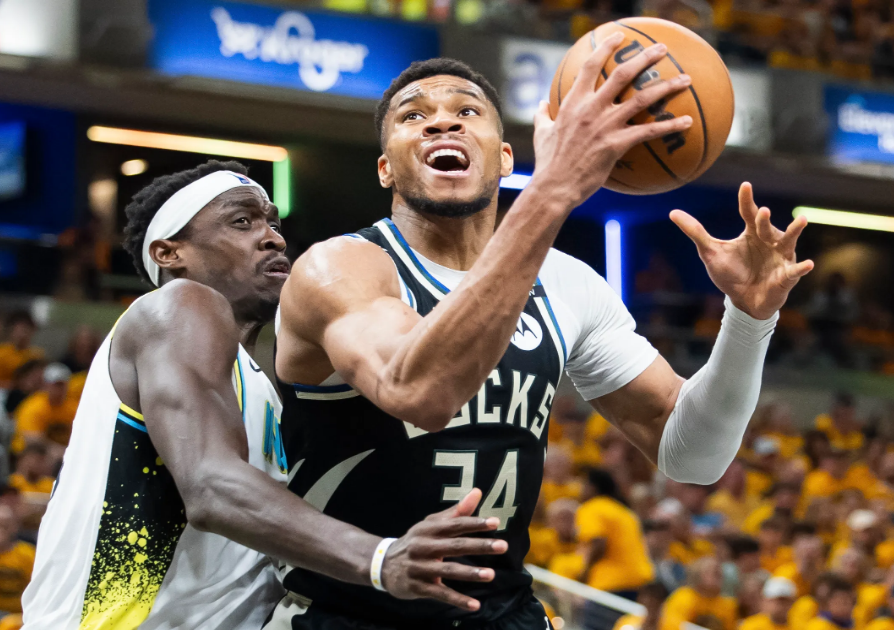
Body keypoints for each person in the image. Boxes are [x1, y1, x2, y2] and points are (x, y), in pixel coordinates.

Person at [272, 49, 811, 627]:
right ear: (386, 169)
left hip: (504, 611)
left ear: (505, 158)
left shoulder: (566, 282)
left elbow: (693, 454)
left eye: (467, 111)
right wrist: (552, 190)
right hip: (349, 612)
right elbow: (418, 391)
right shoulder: (339, 268)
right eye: (413, 115)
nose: (442, 121)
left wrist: (749, 319)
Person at [22, 160, 508, 630]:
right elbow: (211, 487)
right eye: (241, 222)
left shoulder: (260, 383)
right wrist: (380, 558)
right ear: (170, 253)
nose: (273, 237)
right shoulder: (178, 306)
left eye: (273, 223)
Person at [576, 469, 653, 598]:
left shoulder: (592, 508)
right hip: (640, 579)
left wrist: (584, 572)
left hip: (611, 582)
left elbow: (598, 543)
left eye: (583, 484)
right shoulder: (624, 511)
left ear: (592, 487)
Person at [661, 556, 739, 630]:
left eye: (719, 574)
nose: (717, 571)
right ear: (697, 574)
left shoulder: (729, 605)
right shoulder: (683, 597)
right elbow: (670, 626)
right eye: (711, 571)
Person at [12, 363, 77, 449]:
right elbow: (31, 438)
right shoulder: (33, 405)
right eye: (56, 385)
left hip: (61, 450)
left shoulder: (73, 406)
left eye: (62, 385)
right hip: (28, 451)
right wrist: (58, 448)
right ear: (46, 385)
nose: (59, 389)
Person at [0, 312, 45, 388]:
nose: (22, 335)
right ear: (12, 330)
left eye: (26, 330)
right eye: (19, 330)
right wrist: (17, 386)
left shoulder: (37, 355)